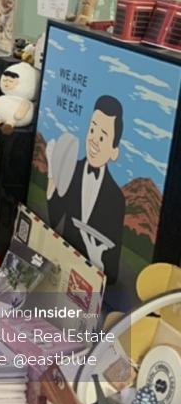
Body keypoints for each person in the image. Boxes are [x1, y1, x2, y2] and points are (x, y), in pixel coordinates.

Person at [47, 94, 126, 280]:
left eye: (102, 137)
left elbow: (113, 272)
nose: (93, 140)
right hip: (59, 266)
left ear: (114, 152)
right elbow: (53, 218)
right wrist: (52, 175)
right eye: (92, 130)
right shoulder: (72, 169)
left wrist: (97, 260)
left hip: (91, 284)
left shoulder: (117, 199)